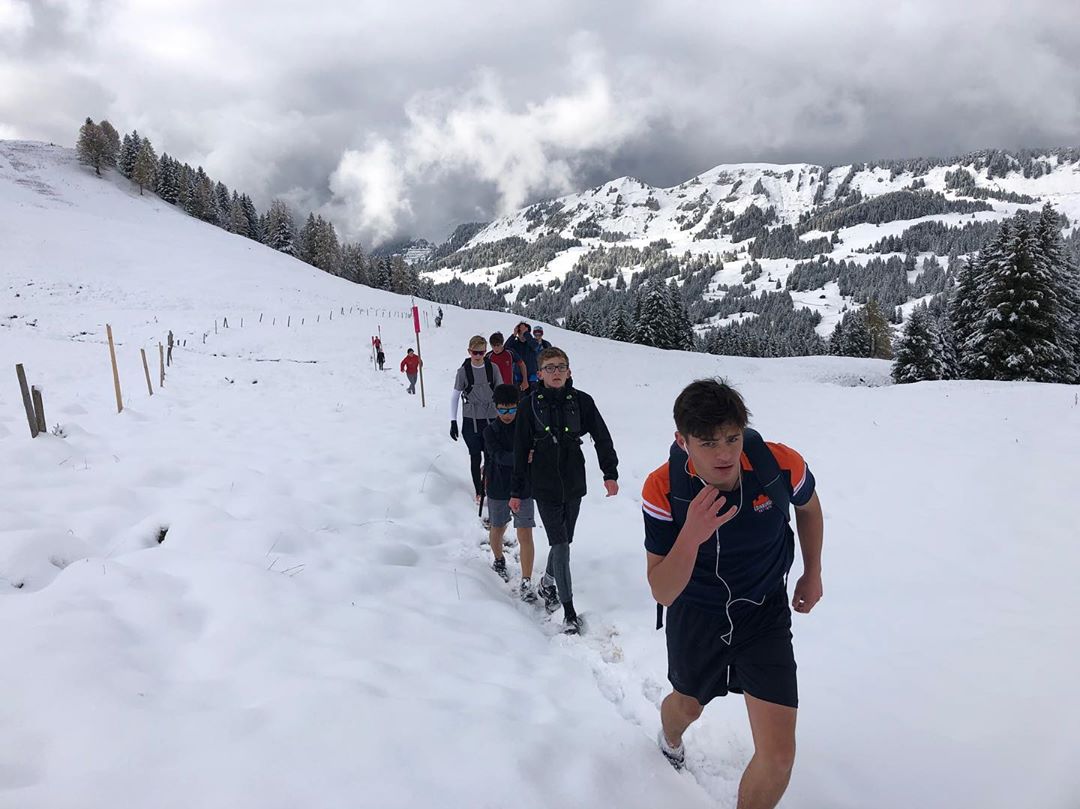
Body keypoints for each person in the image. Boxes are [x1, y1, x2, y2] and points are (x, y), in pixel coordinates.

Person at [641, 379, 823, 809]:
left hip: (764, 613)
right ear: (682, 442)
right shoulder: (663, 488)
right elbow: (662, 590)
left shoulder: (777, 465)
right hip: (696, 615)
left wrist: (811, 572)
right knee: (686, 708)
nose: (724, 454)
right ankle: (669, 740)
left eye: (732, 438)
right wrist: (691, 535)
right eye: (708, 443)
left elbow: (809, 508)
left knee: (778, 757)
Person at [509, 347, 618, 633]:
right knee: (560, 546)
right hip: (543, 484)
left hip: (573, 482)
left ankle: (547, 582)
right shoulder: (528, 405)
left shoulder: (582, 402)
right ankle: (569, 612)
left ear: (569, 371)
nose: (556, 373)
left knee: (565, 540)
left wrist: (610, 473)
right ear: (539, 373)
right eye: (550, 368)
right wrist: (517, 490)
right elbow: (519, 450)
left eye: (561, 367)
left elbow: (602, 437)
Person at [483, 384, 537, 600]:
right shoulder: (490, 431)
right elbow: (497, 456)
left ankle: (526, 580)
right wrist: (522, 457)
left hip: (524, 487)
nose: (507, 415)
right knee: (498, 527)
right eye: (503, 410)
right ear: (496, 408)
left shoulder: (527, 428)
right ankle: (498, 559)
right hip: (498, 486)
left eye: (512, 409)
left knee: (525, 532)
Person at [450, 335, 504, 504]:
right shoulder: (463, 371)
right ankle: (479, 491)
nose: (478, 356)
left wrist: (505, 415)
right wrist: (453, 421)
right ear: (469, 351)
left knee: (490, 456)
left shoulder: (493, 368)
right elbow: (455, 396)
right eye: (475, 352)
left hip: (491, 419)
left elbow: (501, 390)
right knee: (475, 456)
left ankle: (488, 485)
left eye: (481, 352)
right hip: (470, 420)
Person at [505, 321, 541, 392]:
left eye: (524, 331)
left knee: (534, 400)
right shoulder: (514, 344)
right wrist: (513, 335)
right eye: (520, 331)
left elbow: (536, 347)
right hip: (518, 377)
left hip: (532, 378)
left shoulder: (533, 342)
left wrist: (526, 334)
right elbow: (505, 349)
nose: (522, 334)